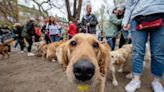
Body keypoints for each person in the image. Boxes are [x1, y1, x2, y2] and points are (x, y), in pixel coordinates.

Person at [122, 0, 164, 92]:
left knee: (158, 52)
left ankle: (156, 81)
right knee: (137, 51)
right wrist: (125, 21)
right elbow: (129, 5)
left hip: (160, 13)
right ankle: (136, 79)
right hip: (138, 17)